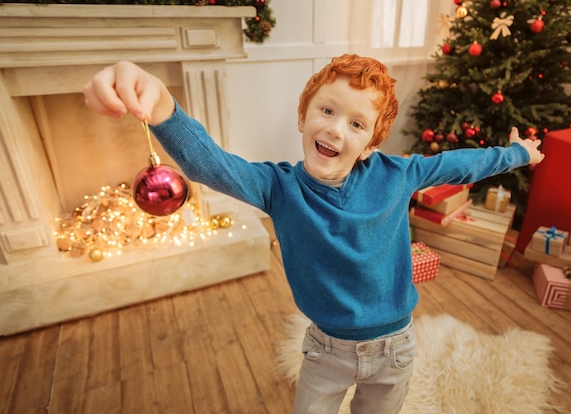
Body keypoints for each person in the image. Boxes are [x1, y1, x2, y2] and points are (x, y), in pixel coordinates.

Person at [83, 54, 544, 414]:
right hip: (327, 350)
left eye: (356, 124)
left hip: (396, 348)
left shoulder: (398, 174)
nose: (335, 128)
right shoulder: (277, 187)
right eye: (327, 110)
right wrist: (162, 105)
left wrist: (517, 153)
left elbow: (460, 163)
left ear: (370, 146)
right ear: (304, 117)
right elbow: (211, 165)